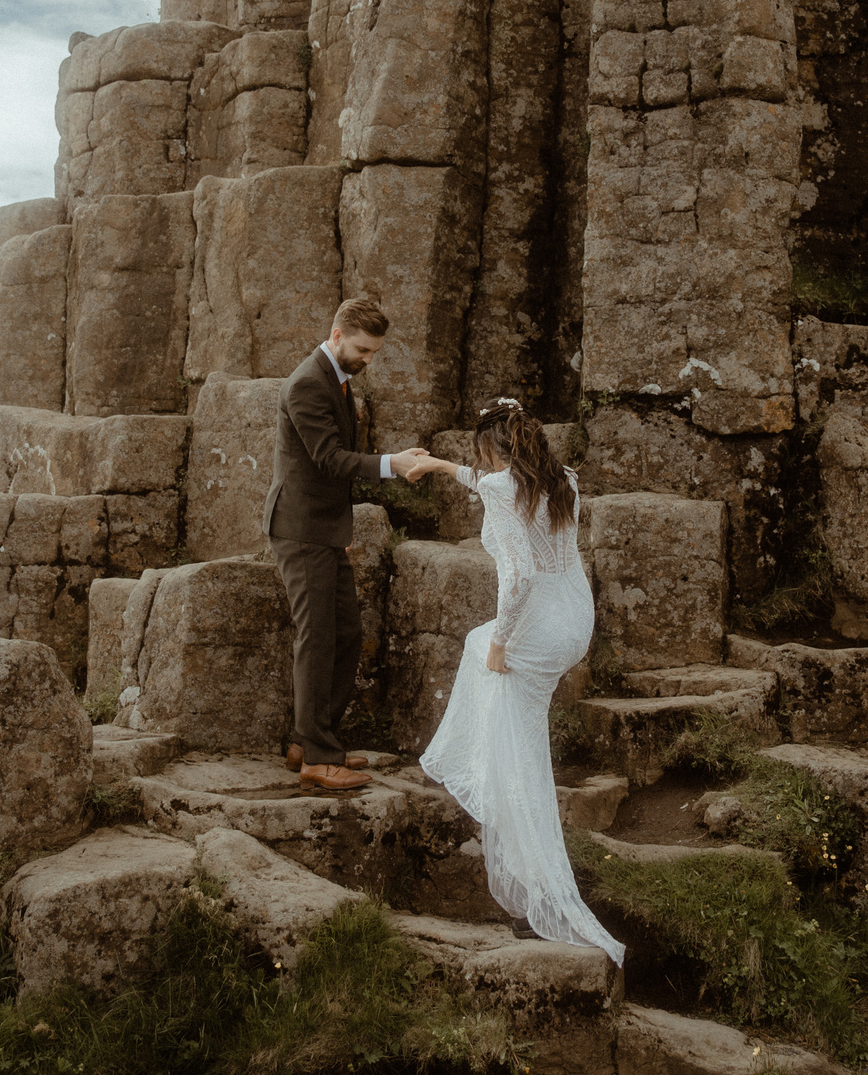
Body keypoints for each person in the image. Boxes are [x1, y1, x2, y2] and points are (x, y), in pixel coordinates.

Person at [395, 400, 625, 962]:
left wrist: (503, 643)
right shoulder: (560, 478)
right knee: (485, 668)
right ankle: (466, 765)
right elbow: (491, 485)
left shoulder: (503, 489)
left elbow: (518, 576)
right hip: (574, 620)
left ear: (493, 450)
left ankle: (541, 897)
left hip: (538, 623)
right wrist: (445, 468)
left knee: (516, 741)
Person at [263, 295, 427, 793]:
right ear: (337, 336)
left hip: (324, 529)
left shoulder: (334, 376)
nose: (368, 360)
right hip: (301, 529)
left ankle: (309, 740)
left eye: (374, 353)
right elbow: (331, 460)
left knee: (346, 634)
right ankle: (316, 757)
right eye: (362, 349)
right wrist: (391, 463)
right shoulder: (308, 383)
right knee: (317, 641)